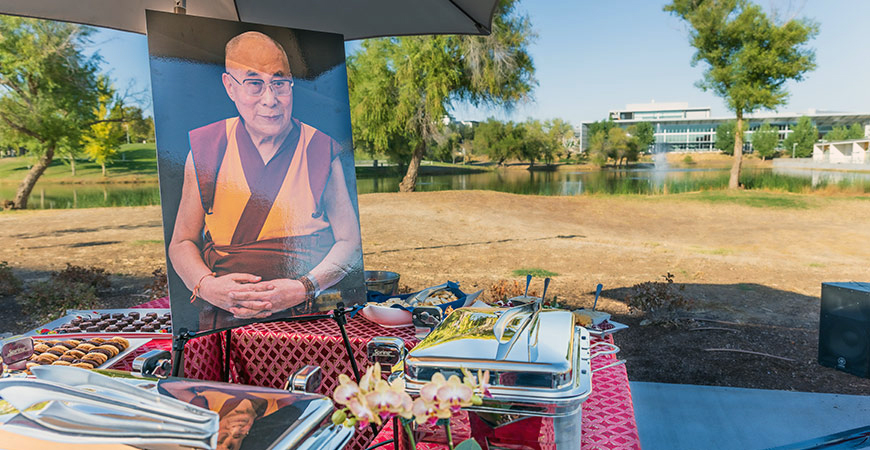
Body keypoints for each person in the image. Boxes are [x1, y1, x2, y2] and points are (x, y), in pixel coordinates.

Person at [168, 31, 362, 330]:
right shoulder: (208, 148)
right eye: (254, 84)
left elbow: (350, 243)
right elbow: (182, 242)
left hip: (309, 319)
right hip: (226, 320)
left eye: (279, 83)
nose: (270, 100)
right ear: (230, 87)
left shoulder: (320, 149)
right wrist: (207, 286)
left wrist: (305, 287)